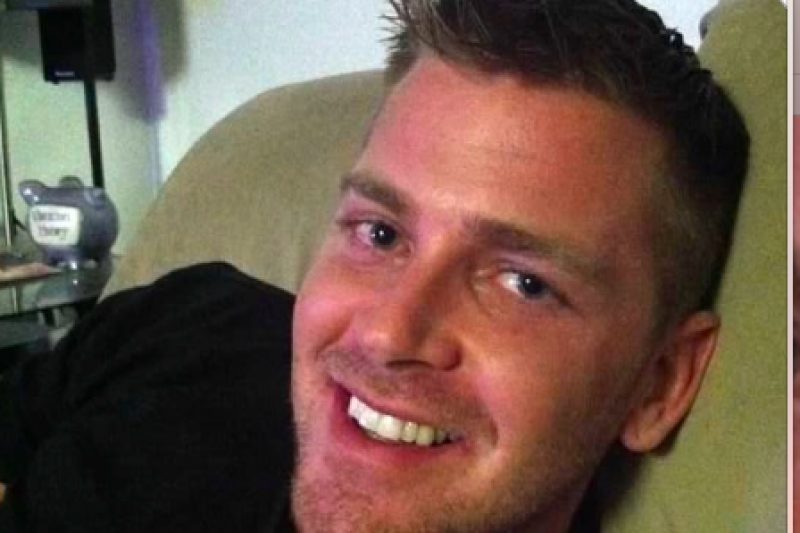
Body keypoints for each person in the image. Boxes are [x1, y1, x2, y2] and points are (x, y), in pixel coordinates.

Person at [0, 0, 749, 532]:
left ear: (660, 385)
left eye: (525, 283)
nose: (389, 332)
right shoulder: (186, 323)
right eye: (382, 233)